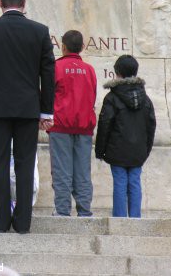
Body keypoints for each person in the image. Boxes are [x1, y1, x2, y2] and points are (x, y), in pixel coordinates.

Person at [0, 0, 55, 233]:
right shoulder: (40, 31)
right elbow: (48, 74)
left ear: (0, 2)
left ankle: (0, 221)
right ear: (24, 2)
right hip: (28, 109)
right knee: (25, 163)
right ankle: (23, 222)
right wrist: (46, 112)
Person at [95, 55, 156, 218]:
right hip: (138, 151)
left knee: (120, 183)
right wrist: (146, 150)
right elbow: (151, 126)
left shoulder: (112, 97)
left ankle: (120, 219)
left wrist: (100, 151)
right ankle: (135, 218)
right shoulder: (146, 99)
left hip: (117, 150)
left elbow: (104, 124)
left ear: (117, 72)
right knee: (135, 183)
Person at [47, 30, 97, 217]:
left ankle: (62, 210)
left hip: (61, 125)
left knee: (61, 170)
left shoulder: (57, 67)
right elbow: (92, 97)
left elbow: (49, 96)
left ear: (63, 46)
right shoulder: (89, 70)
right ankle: (84, 210)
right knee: (83, 171)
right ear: (82, 47)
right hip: (84, 126)